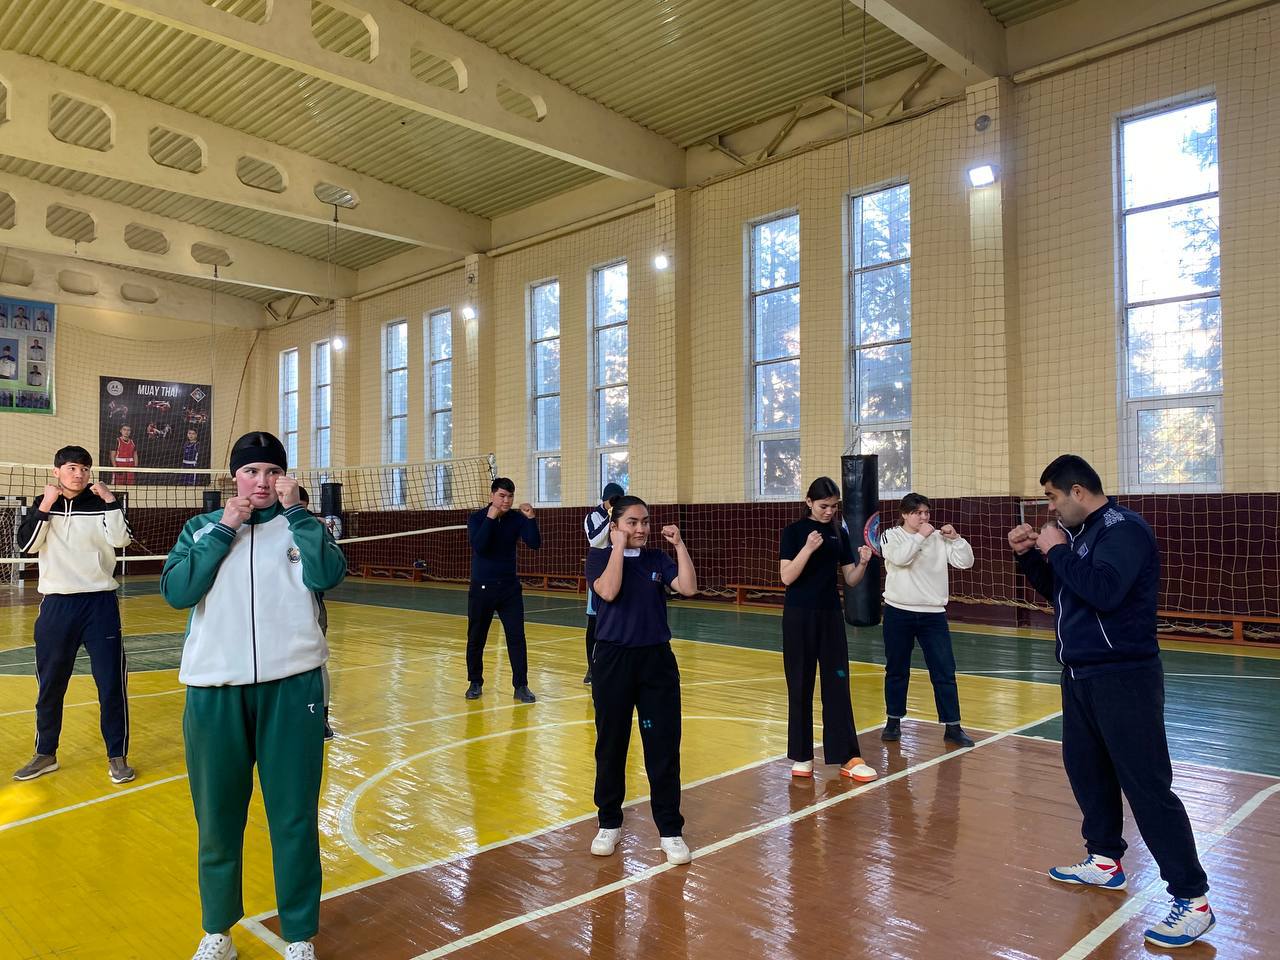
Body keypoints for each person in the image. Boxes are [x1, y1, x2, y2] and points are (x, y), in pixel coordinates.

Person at [1009, 454, 1215, 949]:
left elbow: (1104, 592)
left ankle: (1193, 900)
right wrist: (1031, 557)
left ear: (1078, 491)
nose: (1050, 508)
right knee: (1087, 771)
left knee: (1147, 787)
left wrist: (1058, 550)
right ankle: (1104, 859)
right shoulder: (1080, 534)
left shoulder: (1124, 530)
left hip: (1124, 677)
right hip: (1080, 675)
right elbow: (1064, 594)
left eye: (1052, 497)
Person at [161, 431, 346, 960]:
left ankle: (299, 935)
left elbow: (329, 575)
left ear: (285, 477)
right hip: (214, 691)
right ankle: (217, 930)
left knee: (294, 816)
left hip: (293, 687)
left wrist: (301, 514)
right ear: (234, 477)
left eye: (272, 471)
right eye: (251, 471)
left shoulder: (303, 526)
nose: (261, 481)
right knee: (217, 816)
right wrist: (225, 530)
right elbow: (178, 592)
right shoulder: (202, 528)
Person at [585, 496, 698, 865]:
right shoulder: (599, 557)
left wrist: (679, 545)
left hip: (656, 663)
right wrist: (617, 547)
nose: (641, 528)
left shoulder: (656, 558)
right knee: (612, 745)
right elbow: (608, 591)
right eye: (632, 522)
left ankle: (670, 830)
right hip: (613, 662)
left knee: (662, 747)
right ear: (615, 526)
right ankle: (609, 822)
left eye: (645, 521)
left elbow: (688, 587)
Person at [12, 446, 134, 784]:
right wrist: (46, 506)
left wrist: (111, 500)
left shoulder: (101, 503)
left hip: (99, 604)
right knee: (50, 685)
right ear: (56, 472)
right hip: (57, 606)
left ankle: (117, 756)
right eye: (71, 468)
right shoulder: (43, 504)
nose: (78, 474)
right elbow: (27, 546)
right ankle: (45, 753)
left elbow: (122, 539)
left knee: (111, 683)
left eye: (84, 468)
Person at [778, 477, 878, 781]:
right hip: (798, 616)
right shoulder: (794, 532)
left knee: (837, 683)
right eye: (824, 506)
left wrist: (863, 564)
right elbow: (787, 577)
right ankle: (802, 755)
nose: (829, 511)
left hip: (830, 615)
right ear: (809, 502)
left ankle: (847, 756)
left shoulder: (839, 532)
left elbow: (850, 579)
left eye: (834, 506)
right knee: (799, 683)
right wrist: (807, 549)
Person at [879, 492, 976, 747]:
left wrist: (956, 539)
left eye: (926, 512)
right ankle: (893, 721)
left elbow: (965, 562)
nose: (923, 517)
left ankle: (953, 726)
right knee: (897, 669)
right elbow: (900, 558)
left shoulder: (938, 538)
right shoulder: (891, 536)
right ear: (904, 514)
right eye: (917, 513)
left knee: (944, 670)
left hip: (933, 615)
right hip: (898, 612)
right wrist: (921, 536)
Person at [465, 477, 540, 703]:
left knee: (517, 638)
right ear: (492, 496)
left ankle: (521, 686)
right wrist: (490, 518)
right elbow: (480, 546)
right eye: (502, 496)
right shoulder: (477, 518)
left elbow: (534, 543)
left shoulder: (516, 518)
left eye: (510, 496)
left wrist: (531, 519)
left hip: (509, 589)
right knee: (476, 638)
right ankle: (475, 682)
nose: (506, 500)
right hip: (482, 588)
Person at [298, 486, 335, 741]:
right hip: (276, 611)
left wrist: (320, 532)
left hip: (312, 606)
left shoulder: (315, 528)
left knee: (316, 661)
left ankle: (321, 717)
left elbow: (330, 572)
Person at [582, 481, 625, 684]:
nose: (615, 504)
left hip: (619, 570)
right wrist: (610, 518)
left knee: (618, 619)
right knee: (595, 622)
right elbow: (595, 540)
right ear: (605, 500)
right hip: (599, 574)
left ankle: (616, 665)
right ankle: (592, 667)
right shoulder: (593, 517)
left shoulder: (623, 517)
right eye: (613, 501)